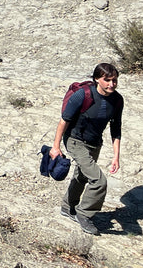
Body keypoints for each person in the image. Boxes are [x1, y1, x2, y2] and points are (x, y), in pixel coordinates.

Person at [49, 63, 124, 235]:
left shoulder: (117, 100)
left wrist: (116, 157)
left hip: (95, 143)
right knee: (99, 181)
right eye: (107, 80)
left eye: (114, 80)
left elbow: (116, 129)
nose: (111, 84)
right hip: (75, 140)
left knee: (82, 176)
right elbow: (64, 121)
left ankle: (68, 207)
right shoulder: (83, 95)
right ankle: (84, 215)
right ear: (97, 79)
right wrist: (56, 146)